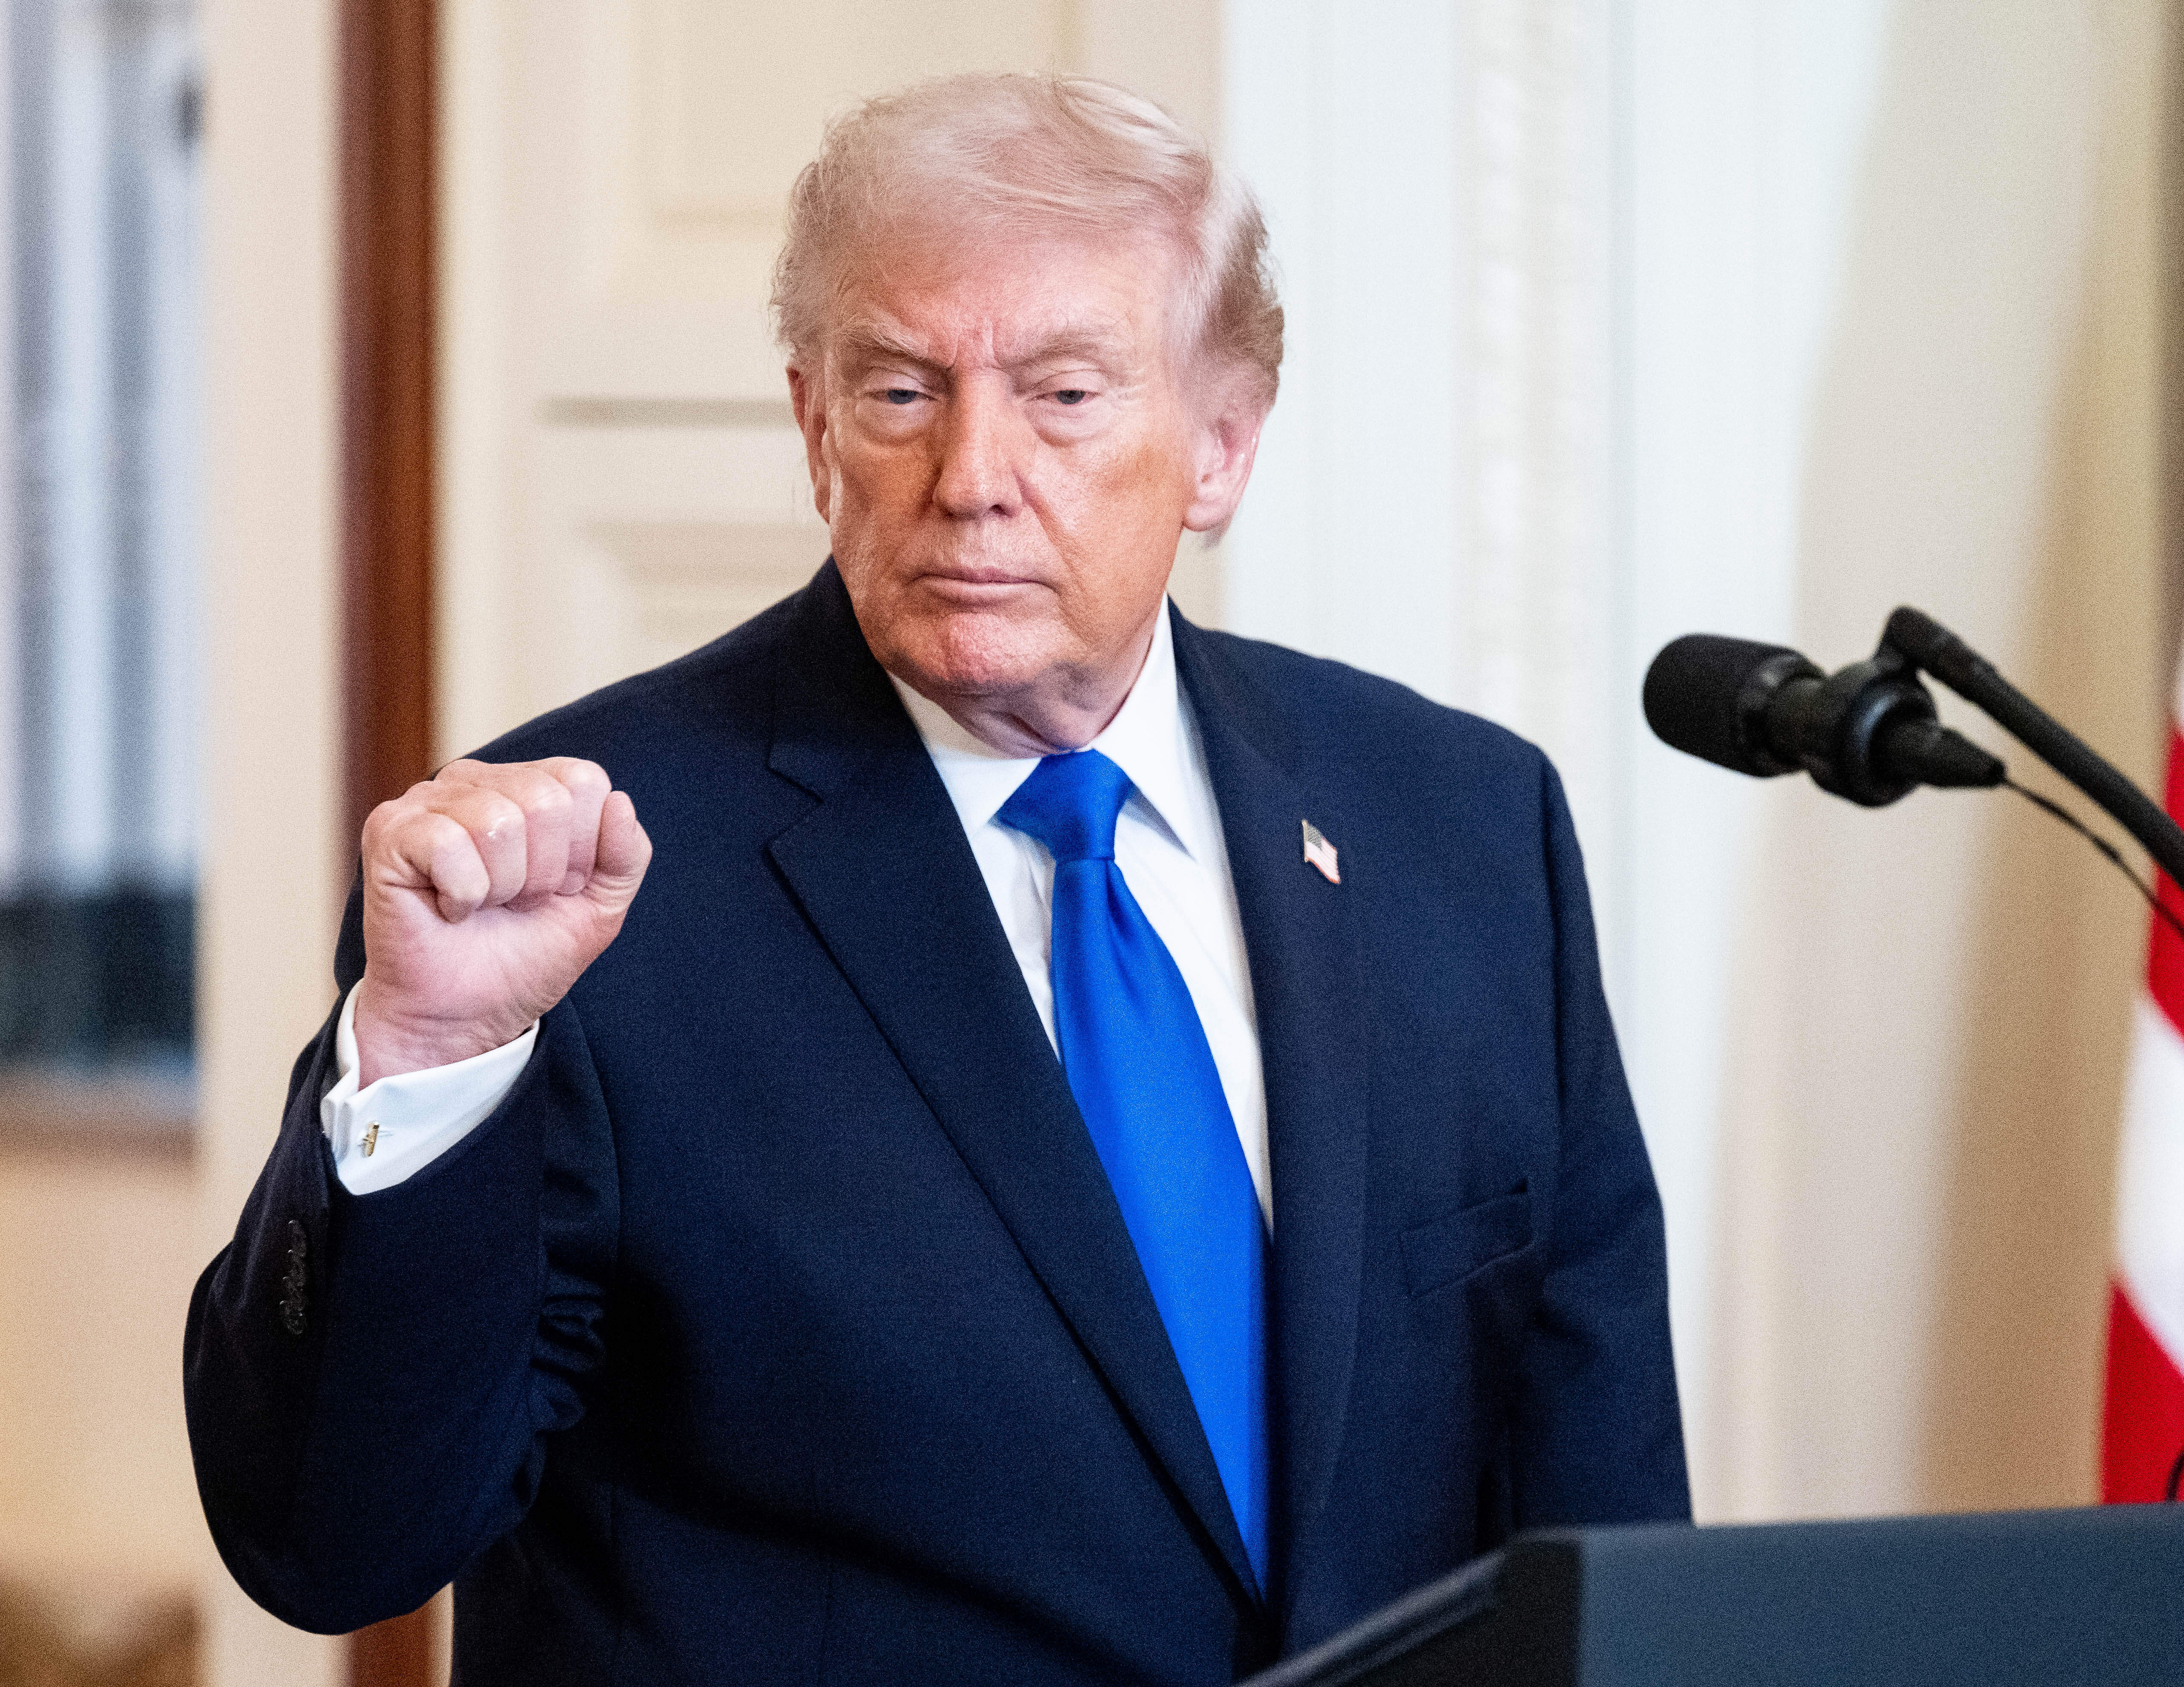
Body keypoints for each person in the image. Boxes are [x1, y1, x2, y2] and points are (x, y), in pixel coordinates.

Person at [184, 72, 1687, 1685]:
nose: (972, 474)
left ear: (1223, 447)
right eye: (902, 391)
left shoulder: (1460, 828)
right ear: (814, 430)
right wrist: (424, 1071)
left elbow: (1601, 1535)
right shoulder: (572, 896)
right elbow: (334, 1541)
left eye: (1063, 396)